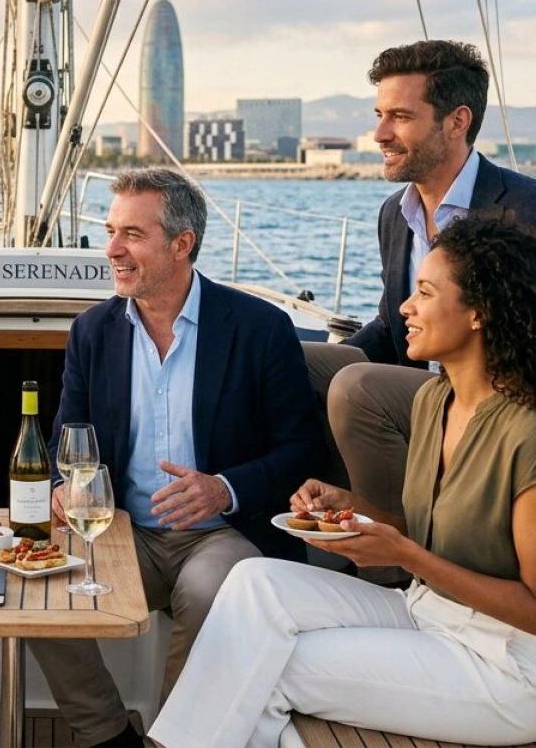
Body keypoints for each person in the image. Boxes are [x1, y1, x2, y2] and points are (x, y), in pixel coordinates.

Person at [149, 215, 536, 748]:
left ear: (479, 313)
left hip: (506, 664)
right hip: (427, 610)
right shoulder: (434, 402)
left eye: (425, 292)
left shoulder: (525, 431)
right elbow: (430, 532)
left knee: (266, 667)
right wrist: (349, 509)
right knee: (254, 581)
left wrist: (406, 557)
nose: (405, 307)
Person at [27, 168, 327, 748]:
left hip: (223, 533)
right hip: (120, 531)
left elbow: (302, 450)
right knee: (40, 593)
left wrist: (225, 488)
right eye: (111, 231)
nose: (112, 249)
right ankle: (107, 735)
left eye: (131, 235)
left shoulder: (260, 328)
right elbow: (71, 437)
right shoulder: (92, 331)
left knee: (213, 588)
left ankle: (173, 740)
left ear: (182, 244)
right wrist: (69, 486)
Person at [303, 39, 536, 585]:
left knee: (356, 386)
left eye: (401, 116)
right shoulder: (396, 213)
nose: (381, 134)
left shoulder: (523, 212)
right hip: (424, 386)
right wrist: (330, 357)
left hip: (494, 403)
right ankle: (275, 514)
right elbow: (391, 323)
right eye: (379, 115)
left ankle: (394, 569)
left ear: (458, 121)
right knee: (287, 358)